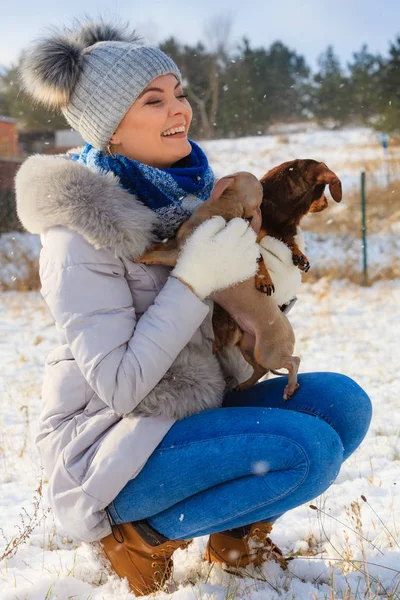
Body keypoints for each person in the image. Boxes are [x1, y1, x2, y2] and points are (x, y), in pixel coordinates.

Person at [15, 19, 372, 597]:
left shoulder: (191, 199)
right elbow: (122, 386)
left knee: (343, 406)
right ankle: (137, 535)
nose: (177, 108)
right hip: (112, 448)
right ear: (109, 131)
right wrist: (192, 279)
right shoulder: (78, 236)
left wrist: (267, 294)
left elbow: (225, 320)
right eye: (152, 101)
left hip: (194, 411)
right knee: (309, 453)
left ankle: (234, 538)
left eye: (178, 92)